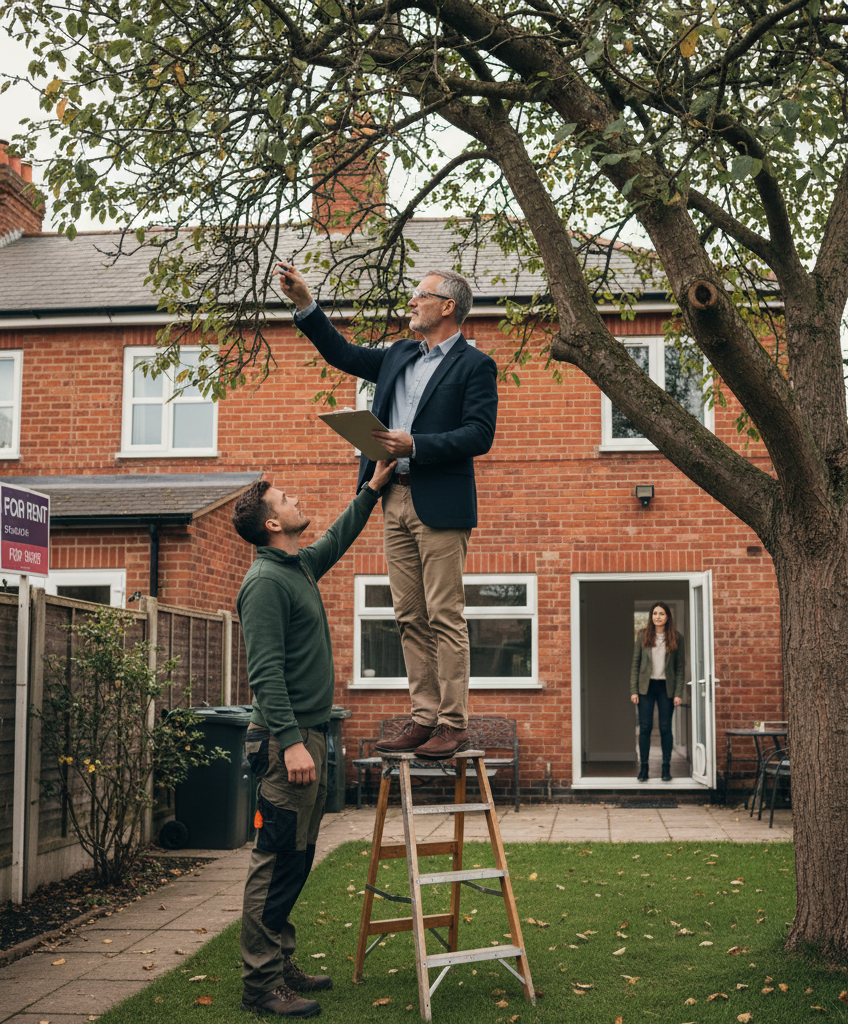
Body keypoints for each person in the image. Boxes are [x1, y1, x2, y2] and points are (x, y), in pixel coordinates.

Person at [277, 262, 499, 762]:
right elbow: (342, 353)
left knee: (444, 613)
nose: (411, 303)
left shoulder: (474, 365)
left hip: (439, 503)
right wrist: (305, 304)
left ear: (448, 306)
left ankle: (453, 723)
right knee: (407, 615)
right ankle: (424, 718)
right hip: (390, 495)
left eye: (420, 296)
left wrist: (415, 443)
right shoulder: (399, 353)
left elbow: (479, 435)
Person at [233, 460, 394, 1018]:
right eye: (284, 498)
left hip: (308, 734)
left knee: (297, 858)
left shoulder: (296, 566)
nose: (294, 499)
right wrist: (291, 741)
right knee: (274, 859)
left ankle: (279, 960)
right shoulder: (263, 584)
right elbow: (265, 672)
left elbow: (337, 537)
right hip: (286, 742)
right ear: (272, 525)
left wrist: (371, 490)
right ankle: (261, 985)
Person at [629, 602, 687, 782]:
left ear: (668, 617)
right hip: (646, 687)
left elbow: (680, 668)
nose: (658, 617)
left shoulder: (677, 637)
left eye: (661, 614)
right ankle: (644, 768)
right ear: (651, 616)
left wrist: (678, 693)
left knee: (665, 728)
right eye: (655, 613)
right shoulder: (642, 635)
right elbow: (635, 664)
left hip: (666, 688)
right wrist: (634, 690)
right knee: (645, 727)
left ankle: (666, 768)